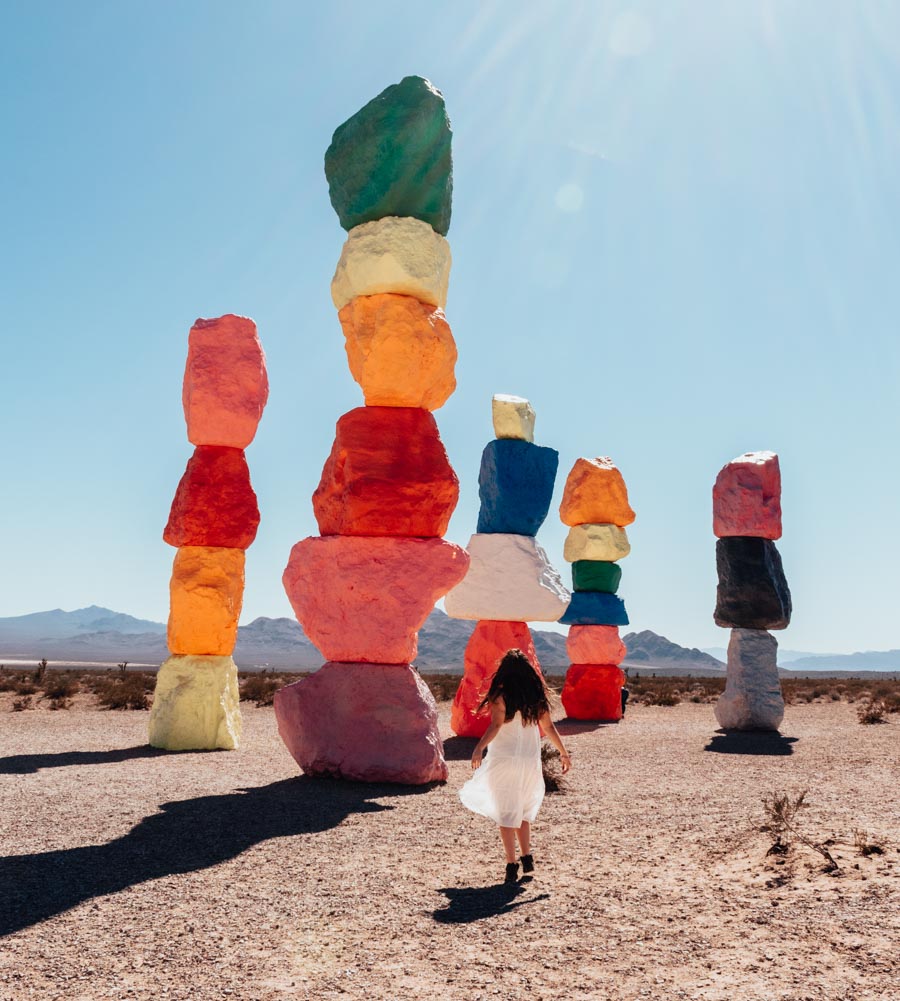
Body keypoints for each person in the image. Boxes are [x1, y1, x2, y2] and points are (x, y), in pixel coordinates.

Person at [458, 649, 572, 884]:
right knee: (523, 808)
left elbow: (496, 725)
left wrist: (479, 748)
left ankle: (512, 863)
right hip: (529, 761)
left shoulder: (500, 695)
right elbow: (548, 727)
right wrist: (562, 752)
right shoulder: (536, 695)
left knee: (506, 812)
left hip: (504, 759)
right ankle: (526, 855)